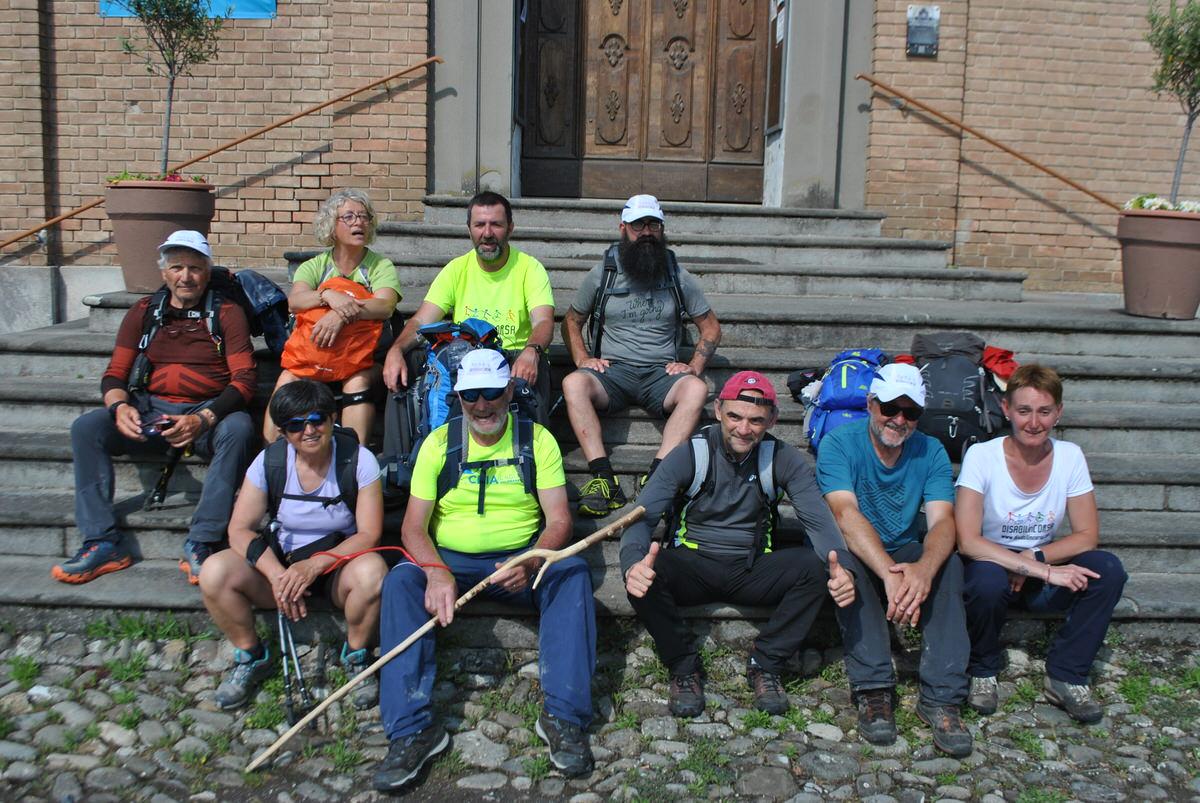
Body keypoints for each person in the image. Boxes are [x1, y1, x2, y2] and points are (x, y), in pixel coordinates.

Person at [372, 350, 594, 791]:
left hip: (521, 559)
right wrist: (435, 571)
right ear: (458, 396)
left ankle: (564, 717)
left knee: (571, 574)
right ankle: (411, 730)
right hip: (449, 560)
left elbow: (560, 521)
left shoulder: (537, 441)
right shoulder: (438, 443)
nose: (482, 404)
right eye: (471, 394)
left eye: (491, 392)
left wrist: (532, 557)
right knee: (400, 580)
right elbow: (414, 527)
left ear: (509, 390)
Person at [623, 372, 897, 723]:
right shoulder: (689, 454)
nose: (743, 428)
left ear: (772, 420)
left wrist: (841, 566)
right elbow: (641, 518)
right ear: (718, 410)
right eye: (735, 416)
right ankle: (683, 666)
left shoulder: (783, 458)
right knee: (644, 575)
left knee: (818, 568)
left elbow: (819, 522)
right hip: (692, 564)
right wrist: (632, 563)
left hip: (752, 567)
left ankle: (765, 664)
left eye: (755, 420)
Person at [55, 231, 256, 586]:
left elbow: (243, 381)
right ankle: (102, 542)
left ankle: (203, 540)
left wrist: (202, 418)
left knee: (239, 428)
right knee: (87, 428)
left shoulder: (227, 313)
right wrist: (119, 408)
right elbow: (114, 374)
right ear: (164, 272)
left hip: (207, 414)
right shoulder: (144, 311)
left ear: (207, 272)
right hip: (151, 413)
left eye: (195, 268)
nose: (186, 276)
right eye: (177, 267)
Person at [200, 380, 388, 710]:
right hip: (282, 565)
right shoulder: (269, 463)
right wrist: (277, 576)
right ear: (284, 433)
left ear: (333, 419)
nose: (309, 430)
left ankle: (357, 654)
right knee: (214, 571)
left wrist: (314, 566)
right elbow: (239, 530)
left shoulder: (359, 460)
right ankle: (251, 655)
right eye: (295, 425)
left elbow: (369, 534)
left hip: (336, 568)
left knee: (373, 572)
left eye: (317, 419)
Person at [816, 363, 973, 757]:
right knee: (849, 564)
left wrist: (922, 570)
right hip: (859, 545)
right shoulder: (839, 443)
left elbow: (942, 522)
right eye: (890, 408)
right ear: (871, 404)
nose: (899, 419)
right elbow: (845, 515)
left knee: (948, 566)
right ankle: (873, 689)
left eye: (911, 412)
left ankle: (941, 696)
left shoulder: (931, 450)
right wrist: (889, 573)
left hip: (904, 545)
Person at [955, 364, 1126, 724]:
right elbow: (968, 541)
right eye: (1024, 410)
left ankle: (1066, 674)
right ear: (1006, 409)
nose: (1034, 422)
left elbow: (1086, 535)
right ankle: (982, 668)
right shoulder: (982, 456)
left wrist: (1035, 557)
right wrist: (1034, 567)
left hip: (1039, 570)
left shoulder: (1069, 456)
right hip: (990, 566)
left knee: (1108, 569)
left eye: (1044, 411)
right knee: (986, 579)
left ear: (1058, 412)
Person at [561, 194, 721, 517]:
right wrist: (582, 360)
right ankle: (604, 480)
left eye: (653, 225)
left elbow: (711, 328)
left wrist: (693, 366)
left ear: (662, 229)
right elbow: (571, 321)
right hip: (613, 373)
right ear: (623, 228)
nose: (646, 232)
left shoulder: (677, 274)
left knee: (698, 388)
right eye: (638, 226)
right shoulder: (603, 272)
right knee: (573, 383)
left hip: (660, 375)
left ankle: (658, 476)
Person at [381, 191, 554, 417]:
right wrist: (395, 349)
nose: (488, 233)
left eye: (496, 225)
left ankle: (533, 447)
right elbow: (421, 320)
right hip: (465, 358)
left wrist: (532, 350)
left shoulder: (530, 268)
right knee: (404, 359)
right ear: (469, 230)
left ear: (510, 228)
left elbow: (543, 321)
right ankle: (401, 451)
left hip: (512, 358)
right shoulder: (456, 269)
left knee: (535, 362)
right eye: (480, 225)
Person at [268, 189, 402, 446]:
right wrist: (328, 295)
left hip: (363, 360)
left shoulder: (380, 266)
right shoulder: (314, 266)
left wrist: (340, 315)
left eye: (364, 217)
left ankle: (354, 463)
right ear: (331, 225)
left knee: (358, 380)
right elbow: (295, 301)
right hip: (314, 357)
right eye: (349, 217)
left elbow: (384, 306)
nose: (358, 222)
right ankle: (273, 458)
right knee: (287, 379)